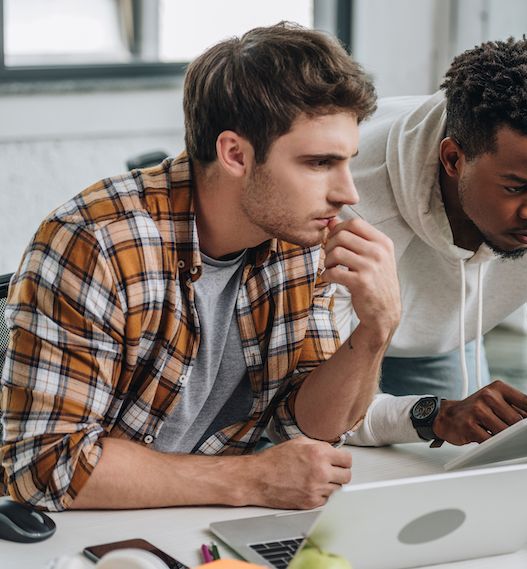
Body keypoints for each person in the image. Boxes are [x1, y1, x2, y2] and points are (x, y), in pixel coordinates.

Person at [0, 22, 400, 512]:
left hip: (202, 521)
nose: (348, 193)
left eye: (347, 162)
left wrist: (376, 329)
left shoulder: (300, 236)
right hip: (85, 536)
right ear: (235, 154)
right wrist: (252, 480)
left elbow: (308, 424)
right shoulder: (98, 243)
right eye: (319, 163)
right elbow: (44, 466)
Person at [338, 38, 527, 462]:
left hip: (444, 344)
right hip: (342, 344)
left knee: (456, 469)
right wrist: (433, 415)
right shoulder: (347, 198)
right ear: (453, 159)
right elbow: (316, 408)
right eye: (516, 188)